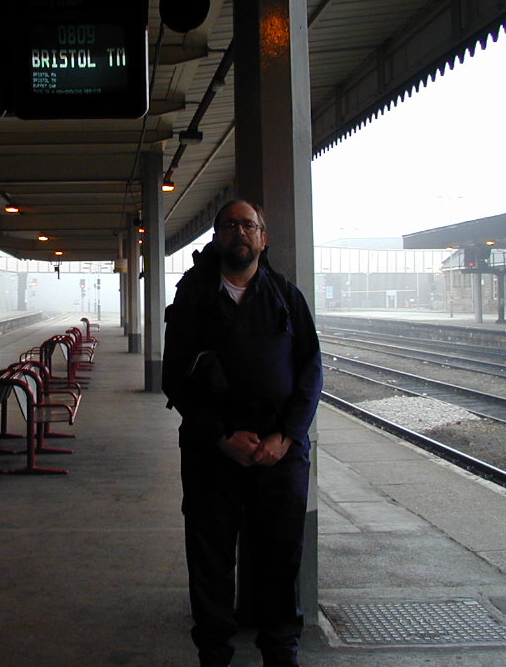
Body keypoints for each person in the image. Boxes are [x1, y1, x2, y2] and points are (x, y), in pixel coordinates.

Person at [162, 199, 323, 667]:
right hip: (211, 453)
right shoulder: (193, 298)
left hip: (279, 455)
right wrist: (219, 437)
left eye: (249, 225)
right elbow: (175, 378)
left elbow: (311, 371)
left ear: (263, 238)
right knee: (210, 560)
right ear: (217, 239)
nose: (240, 232)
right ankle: (214, 654)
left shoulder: (286, 296)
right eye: (230, 225)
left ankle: (281, 652)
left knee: (279, 557)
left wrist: (286, 436)